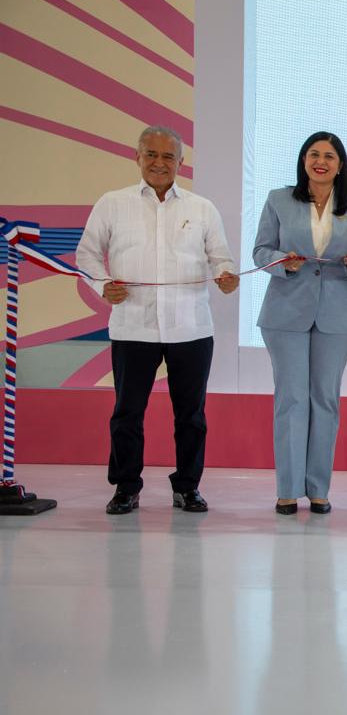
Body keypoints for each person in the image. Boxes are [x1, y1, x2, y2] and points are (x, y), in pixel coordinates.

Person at [77, 125, 239, 514]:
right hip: (133, 326)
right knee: (127, 413)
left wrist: (226, 275)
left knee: (191, 415)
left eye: (168, 156)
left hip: (191, 328)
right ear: (137, 157)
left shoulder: (202, 208)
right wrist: (102, 285)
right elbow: (86, 254)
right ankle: (126, 487)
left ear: (181, 162)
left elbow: (221, 258)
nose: (159, 163)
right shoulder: (112, 203)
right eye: (151, 154)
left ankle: (188, 487)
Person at [253, 131, 347, 515]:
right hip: (285, 312)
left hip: (337, 315)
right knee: (292, 398)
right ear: (303, 160)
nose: (321, 161)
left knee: (325, 399)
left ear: (340, 165)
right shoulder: (278, 199)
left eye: (329, 156)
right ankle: (288, 489)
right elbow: (260, 251)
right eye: (314, 154)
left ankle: (319, 489)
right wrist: (282, 261)